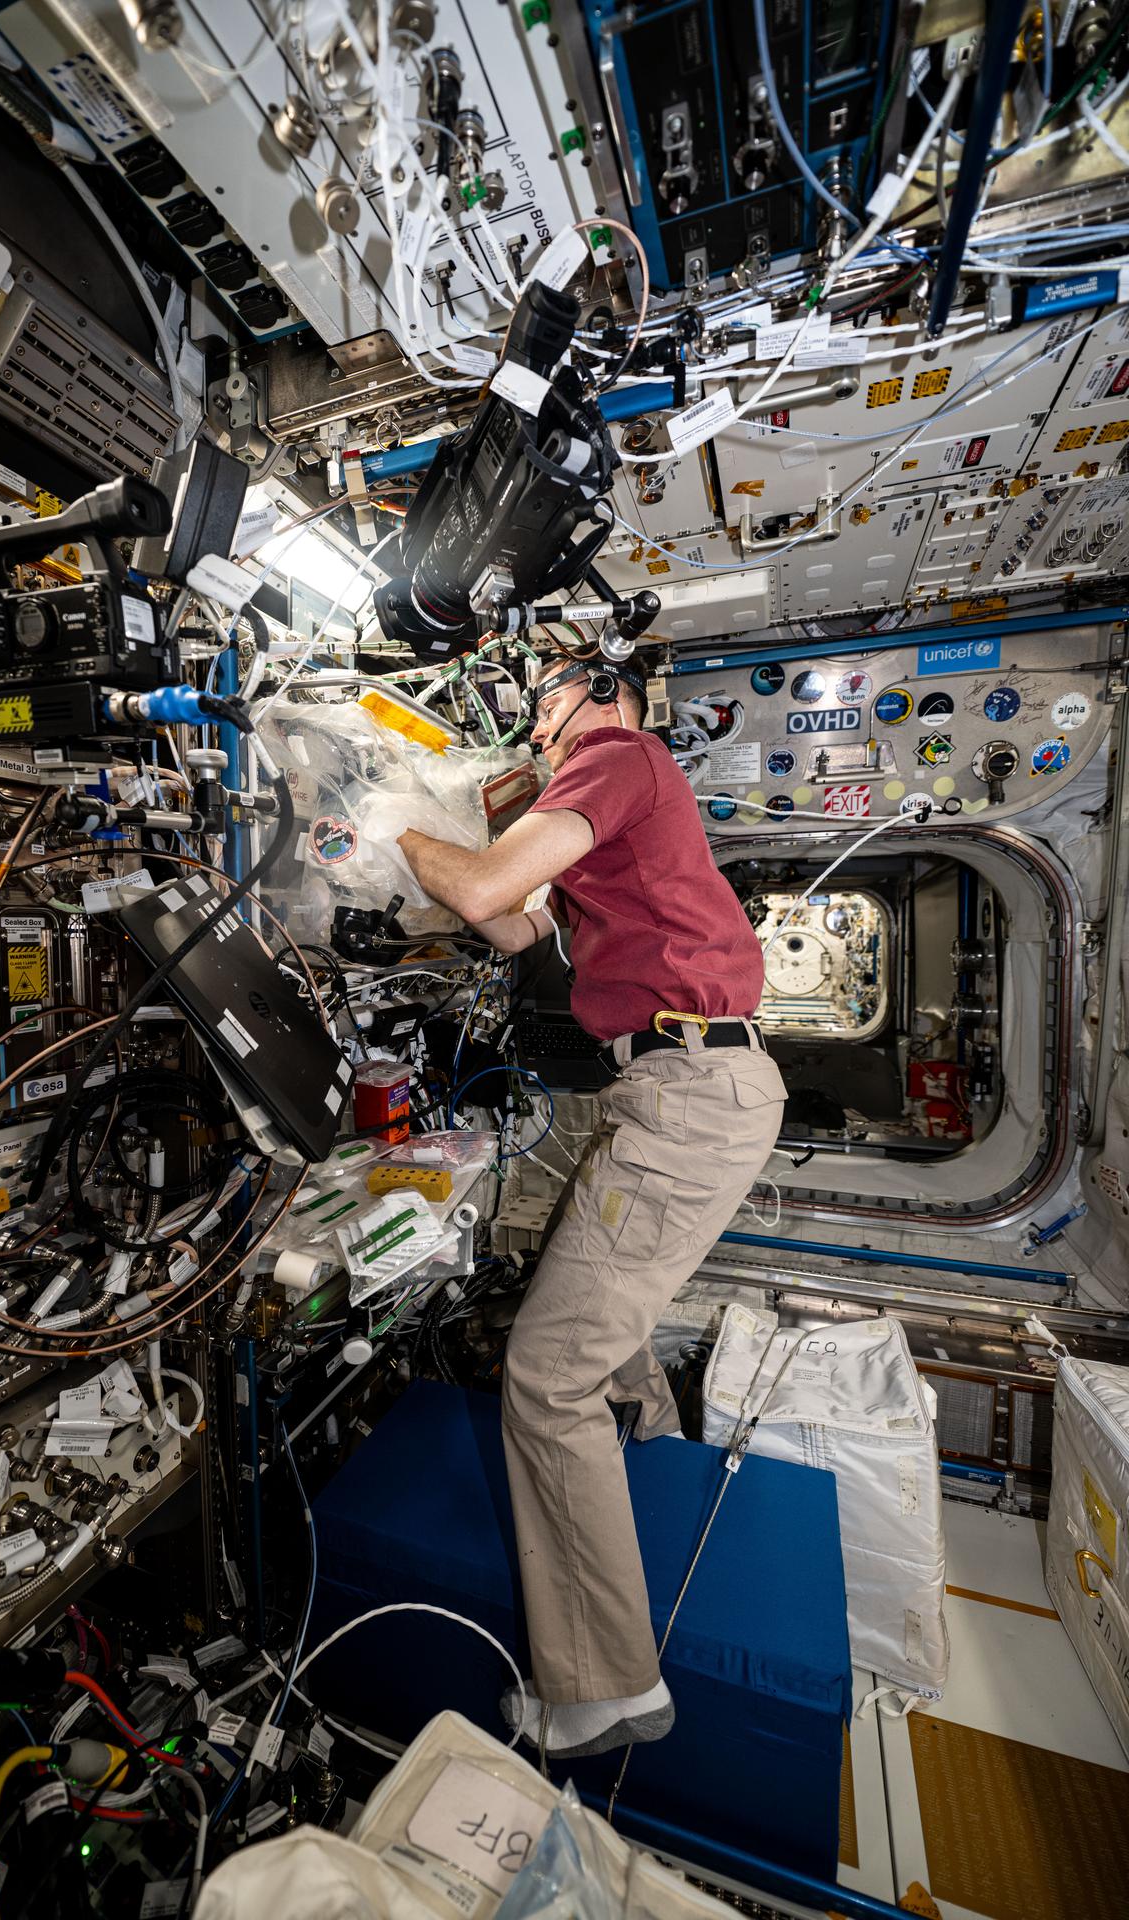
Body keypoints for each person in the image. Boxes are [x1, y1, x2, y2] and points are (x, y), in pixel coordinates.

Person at [379, 651, 786, 1760]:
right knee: (580, 1277)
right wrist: (422, 853)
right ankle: (647, 1451)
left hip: (688, 1091)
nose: (535, 723)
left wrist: (391, 823)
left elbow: (473, 886)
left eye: (545, 699)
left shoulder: (615, 753)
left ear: (602, 692)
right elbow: (509, 925)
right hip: (667, 1087)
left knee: (546, 1374)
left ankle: (607, 1689)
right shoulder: (602, 813)